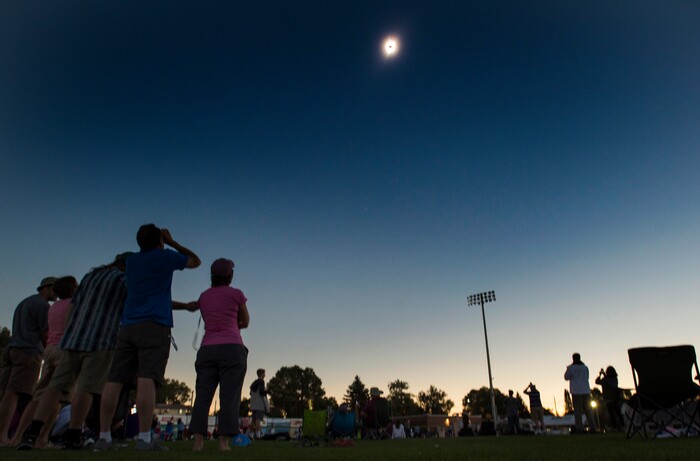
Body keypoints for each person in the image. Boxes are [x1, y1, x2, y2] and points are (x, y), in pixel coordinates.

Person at [96, 225, 200, 452]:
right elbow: (195, 261)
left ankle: (103, 437)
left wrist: (183, 306)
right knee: (146, 379)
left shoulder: (131, 262)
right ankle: (144, 438)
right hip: (155, 327)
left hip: (128, 326)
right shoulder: (165, 257)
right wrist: (172, 242)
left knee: (114, 380)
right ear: (160, 241)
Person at [17, 254, 132, 450]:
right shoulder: (124, 280)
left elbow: (72, 307)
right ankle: (74, 433)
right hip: (100, 340)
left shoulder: (90, 277)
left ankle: (31, 433)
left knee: (54, 387)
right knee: (86, 388)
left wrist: (69, 333)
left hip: (73, 339)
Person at [190, 258, 249, 452]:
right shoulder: (237, 294)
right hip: (232, 348)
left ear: (212, 276)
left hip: (207, 349)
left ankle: (198, 442)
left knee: (202, 396)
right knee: (229, 396)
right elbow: (245, 321)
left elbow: (208, 320)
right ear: (230, 275)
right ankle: (223, 442)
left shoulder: (204, 296)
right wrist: (233, 325)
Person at [11, 276, 77, 448]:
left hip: (49, 350)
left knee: (39, 396)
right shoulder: (73, 305)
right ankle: (42, 438)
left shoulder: (53, 307)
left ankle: (18, 436)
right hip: (63, 351)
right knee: (59, 398)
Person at [0, 276, 57, 446]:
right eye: (54, 289)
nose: (56, 294)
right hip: (28, 351)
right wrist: (48, 352)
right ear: (47, 288)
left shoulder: (24, 303)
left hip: (11, 349)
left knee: (4, 393)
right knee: (14, 394)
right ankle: (3, 436)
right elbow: (45, 333)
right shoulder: (42, 306)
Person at [565, 353, 597, 433]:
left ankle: (580, 428)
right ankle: (593, 427)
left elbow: (566, 377)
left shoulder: (571, 368)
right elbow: (587, 377)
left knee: (578, 411)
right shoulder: (585, 367)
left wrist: (567, 368)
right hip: (586, 390)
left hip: (576, 391)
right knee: (588, 410)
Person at [595, 366, 624, 430]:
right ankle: (622, 425)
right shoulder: (615, 378)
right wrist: (605, 375)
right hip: (615, 397)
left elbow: (597, 381)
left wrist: (600, 374)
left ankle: (613, 426)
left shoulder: (605, 380)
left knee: (611, 413)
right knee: (618, 413)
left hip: (608, 398)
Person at [249, 368, 268, 438]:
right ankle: (258, 435)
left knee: (253, 421)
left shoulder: (254, 383)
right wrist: (268, 391)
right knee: (258, 420)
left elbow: (250, 393)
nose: (265, 375)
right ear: (262, 374)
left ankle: (251, 434)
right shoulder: (261, 382)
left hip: (253, 404)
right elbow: (262, 392)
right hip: (259, 404)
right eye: (264, 374)